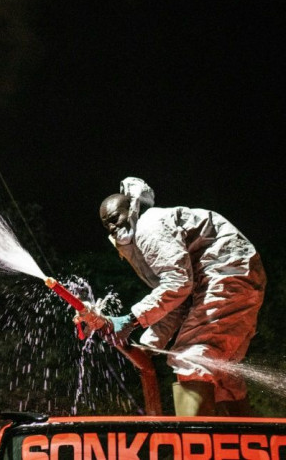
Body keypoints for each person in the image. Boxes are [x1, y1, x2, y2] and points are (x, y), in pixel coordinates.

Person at [78, 177, 266, 416]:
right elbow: (178, 301)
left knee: (191, 359)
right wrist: (148, 345)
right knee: (221, 374)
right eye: (108, 226)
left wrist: (130, 319)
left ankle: (194, 449)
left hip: (225, 274)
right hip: (235, 277)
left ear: (132, 209)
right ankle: (249, 447)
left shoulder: (148, 226)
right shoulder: (141, 240)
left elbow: (178, 284)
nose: (113, 228)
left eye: (115, 218)